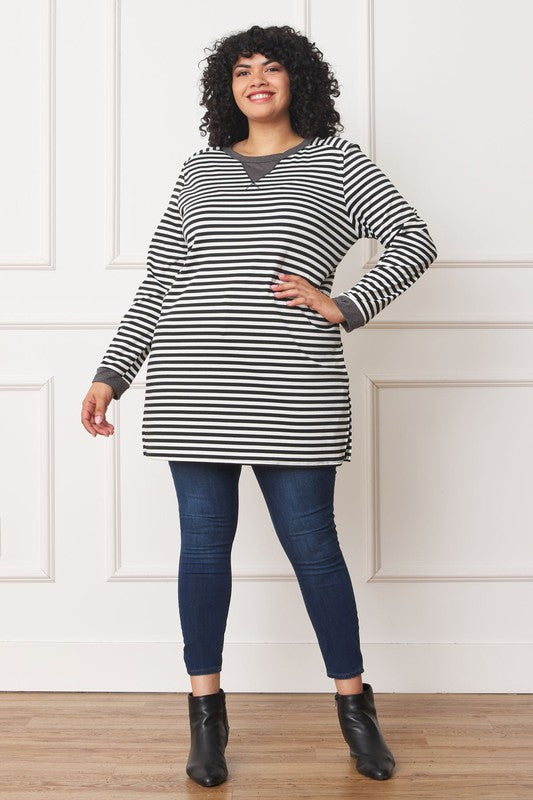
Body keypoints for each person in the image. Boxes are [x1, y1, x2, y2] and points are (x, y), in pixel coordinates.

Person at [81, 24, 437, 788]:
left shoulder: (336, 162)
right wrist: (113, 372)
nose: (256, 80)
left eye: (271, 67)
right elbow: (159, 282)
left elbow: (411, 238)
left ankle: (354, 708)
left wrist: (346, 303)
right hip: (193, 385)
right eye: (242, 71)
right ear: (227, 89)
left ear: (296, 80)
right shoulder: (198, 172)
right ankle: (205, 719)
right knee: (203, 553)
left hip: (294, 387)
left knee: (313, 550)